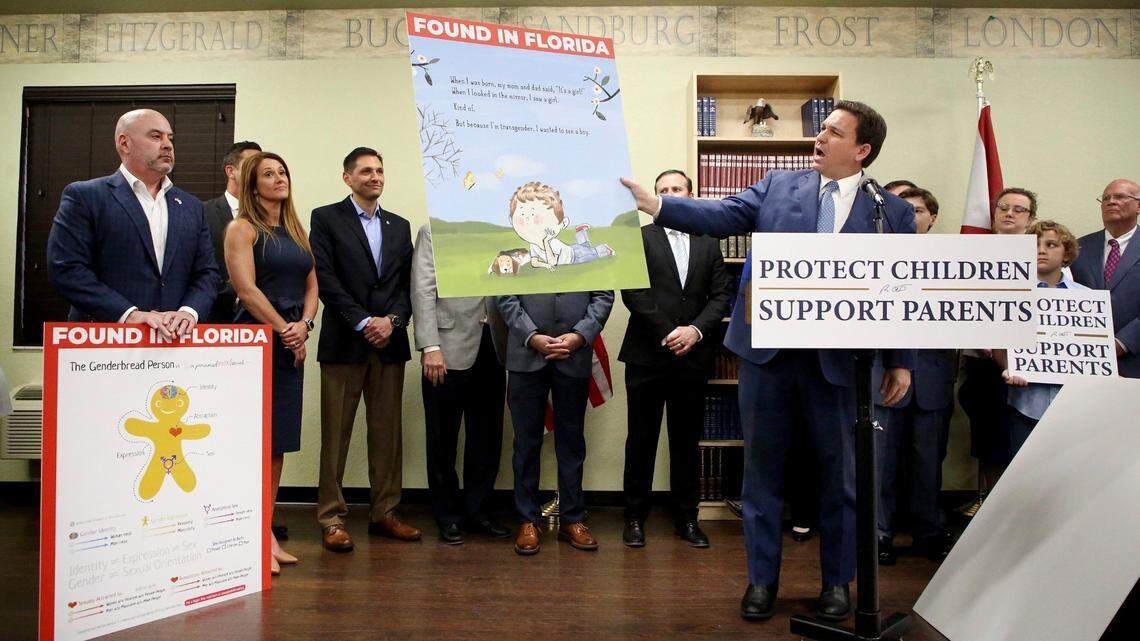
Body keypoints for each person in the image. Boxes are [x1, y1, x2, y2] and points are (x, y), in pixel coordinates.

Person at [621, 100, 915, 622]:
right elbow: (719, 214)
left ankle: (836, 585)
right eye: (820, 128)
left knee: (842, 480)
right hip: (768, 357)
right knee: (761, 477)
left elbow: (899, 289)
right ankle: (761, 582)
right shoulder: (780, 185)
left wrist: (900, 360)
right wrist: (658, 205)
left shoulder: (888, 211)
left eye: (833, 132)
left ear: (862, 149)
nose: (819, 137)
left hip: (839, 363)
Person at [309, 147, 418, 551]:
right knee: (335, 434)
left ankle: (384, 513)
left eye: (380, 171)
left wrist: (392, 321)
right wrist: (362, 320)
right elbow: (325, 276)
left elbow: (407, 284)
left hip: (390, 343)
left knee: (388, 435)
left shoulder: (399, 225)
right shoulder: (325, 218)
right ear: (347, 178)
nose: (375, 177)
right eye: (366, 171)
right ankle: (331, 517)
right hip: (344, 343)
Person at [618, 169, 730, 549]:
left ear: (689, 195)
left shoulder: (708, 240)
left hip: (693, 357)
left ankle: (687, 519)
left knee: (685, 441)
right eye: (662, 189)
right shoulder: (640, 239)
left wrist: (694, 331)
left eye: (676, 189)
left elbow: (720, 298)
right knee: (642, 439)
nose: (669, 193)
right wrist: (668, 331)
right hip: (648, 354)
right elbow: (633, 292)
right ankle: (634, 517)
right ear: (654, 198)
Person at [224, 151, 317, 575]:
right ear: (252, 184)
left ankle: (266, 533)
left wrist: (305, 325)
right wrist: (285, 328)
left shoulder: (296, 230)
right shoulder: (241, 228)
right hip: (255, 341)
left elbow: (312, 284)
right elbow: (246, 290)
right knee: (253, 444)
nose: (279, 178)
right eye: (268, 173)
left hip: (291, 343)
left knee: (277, 444)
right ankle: (251, 538)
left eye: (282, 171)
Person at [47, 108, 218, 336]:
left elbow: (207, 273)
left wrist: (189, 311)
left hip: (174, 346)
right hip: (103, 345)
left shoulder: (191, 206)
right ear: (124, 143)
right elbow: (66, 269)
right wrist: (129, 314)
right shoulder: (86, 196)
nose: (167, 144)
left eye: (170, 138)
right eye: (156, 136)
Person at [411, 224, 510, 545]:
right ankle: (447, 515)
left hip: (493, 344)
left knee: (487, 437)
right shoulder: (433, 231)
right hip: (446, 347)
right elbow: (423, 289)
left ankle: (477, 511)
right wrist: (430, 346)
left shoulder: (502, 230)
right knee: (443, 438)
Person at [874, 188, 956, 565]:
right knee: (882, 464)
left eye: (918, 210)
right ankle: (880, 534)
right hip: (883, 375)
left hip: (933, 377)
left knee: (927, 464)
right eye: (902, 209)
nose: (910, 215)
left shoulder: (952, 261)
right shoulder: (872, 255)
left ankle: (928, 533)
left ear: (932, 218)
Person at [497, 289, 613, 555]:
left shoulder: (588, 246)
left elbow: (604, 294)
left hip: (575, 353)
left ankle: (572, 519)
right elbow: (504, 294)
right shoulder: (511, 246)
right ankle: (528, 520)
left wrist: (580, 335)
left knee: (571, 442)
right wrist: (531, 336)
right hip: (526, 353)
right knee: (526, 443)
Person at [957, 187, 1038, 504]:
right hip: (984, 368)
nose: (1009, 213)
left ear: (1031, 218)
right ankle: (992, 508)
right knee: (990, 442)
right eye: (1004, 206)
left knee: (1024, 443)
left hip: (1032, 369)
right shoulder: (972, 255)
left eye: (1020, 209)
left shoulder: (1041, 253)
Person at [998, 220, 1087, 456]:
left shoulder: (1086, 298)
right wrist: (1009, 367)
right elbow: (1000, 344)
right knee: (1024, 475)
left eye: (1051, 244)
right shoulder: (1011, 294)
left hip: (1072, 405)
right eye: (1034, 244)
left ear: (1066, 252)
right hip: (1025, 403)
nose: (1041, 250)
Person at [1071, 179, 1140, 378]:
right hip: (1084, 363)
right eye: (1106, 198)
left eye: (1120, 197)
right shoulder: (1078, 248)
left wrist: (1123, 342)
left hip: (1134, 361)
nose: (1111, 201)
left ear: (1138, 206)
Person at [204, 141, 262, 325]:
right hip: (214, 320)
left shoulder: (272, 217)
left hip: (266, 323)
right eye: (252, 164)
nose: (257, 171)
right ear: (231, 171)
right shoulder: (202, 213)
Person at [506, 182, 616, 269]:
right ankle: (581, 232)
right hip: (572, 251)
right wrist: (545, 265)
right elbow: (534, 263)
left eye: (536, 218)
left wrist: (546, 242)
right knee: (585, 246)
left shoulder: (551, 242)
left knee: (593, 252)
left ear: (562, 223)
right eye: (521, 219)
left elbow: (553, 262)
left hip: (576, 256)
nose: (528, 224)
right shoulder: (533, 245)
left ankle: (605, 248)